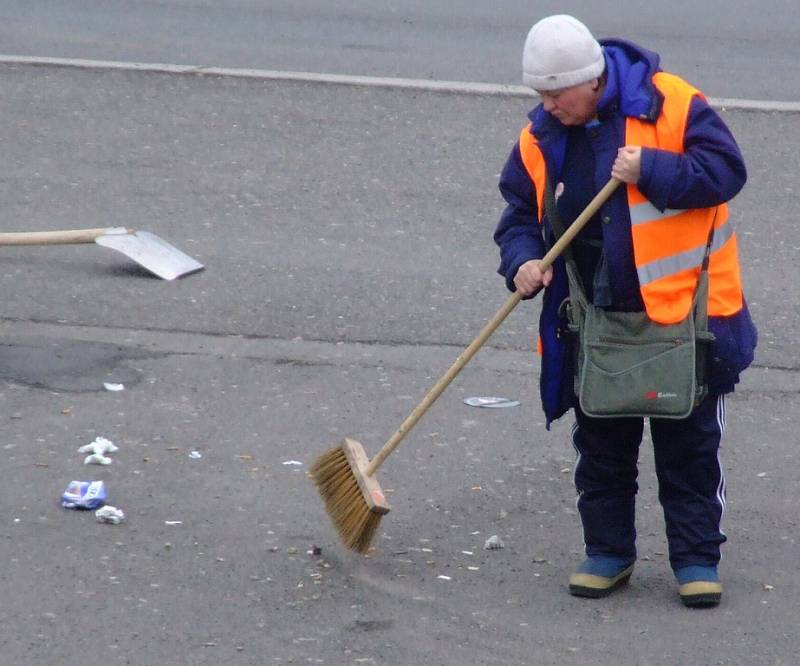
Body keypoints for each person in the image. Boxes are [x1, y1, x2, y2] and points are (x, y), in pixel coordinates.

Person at [493, 14, 757, 607]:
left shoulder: (674, 104)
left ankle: (696, 559)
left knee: (688, 449)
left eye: (556, 94)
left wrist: (653, 170)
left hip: (688, 320)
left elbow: (726, 172)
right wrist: (523, 262)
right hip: (595, 321)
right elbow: (517, 212)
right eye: (540, 95)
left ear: (590, 80)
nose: (548, 106)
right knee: (602, 447)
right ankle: (608, 553)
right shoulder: (539, 137)